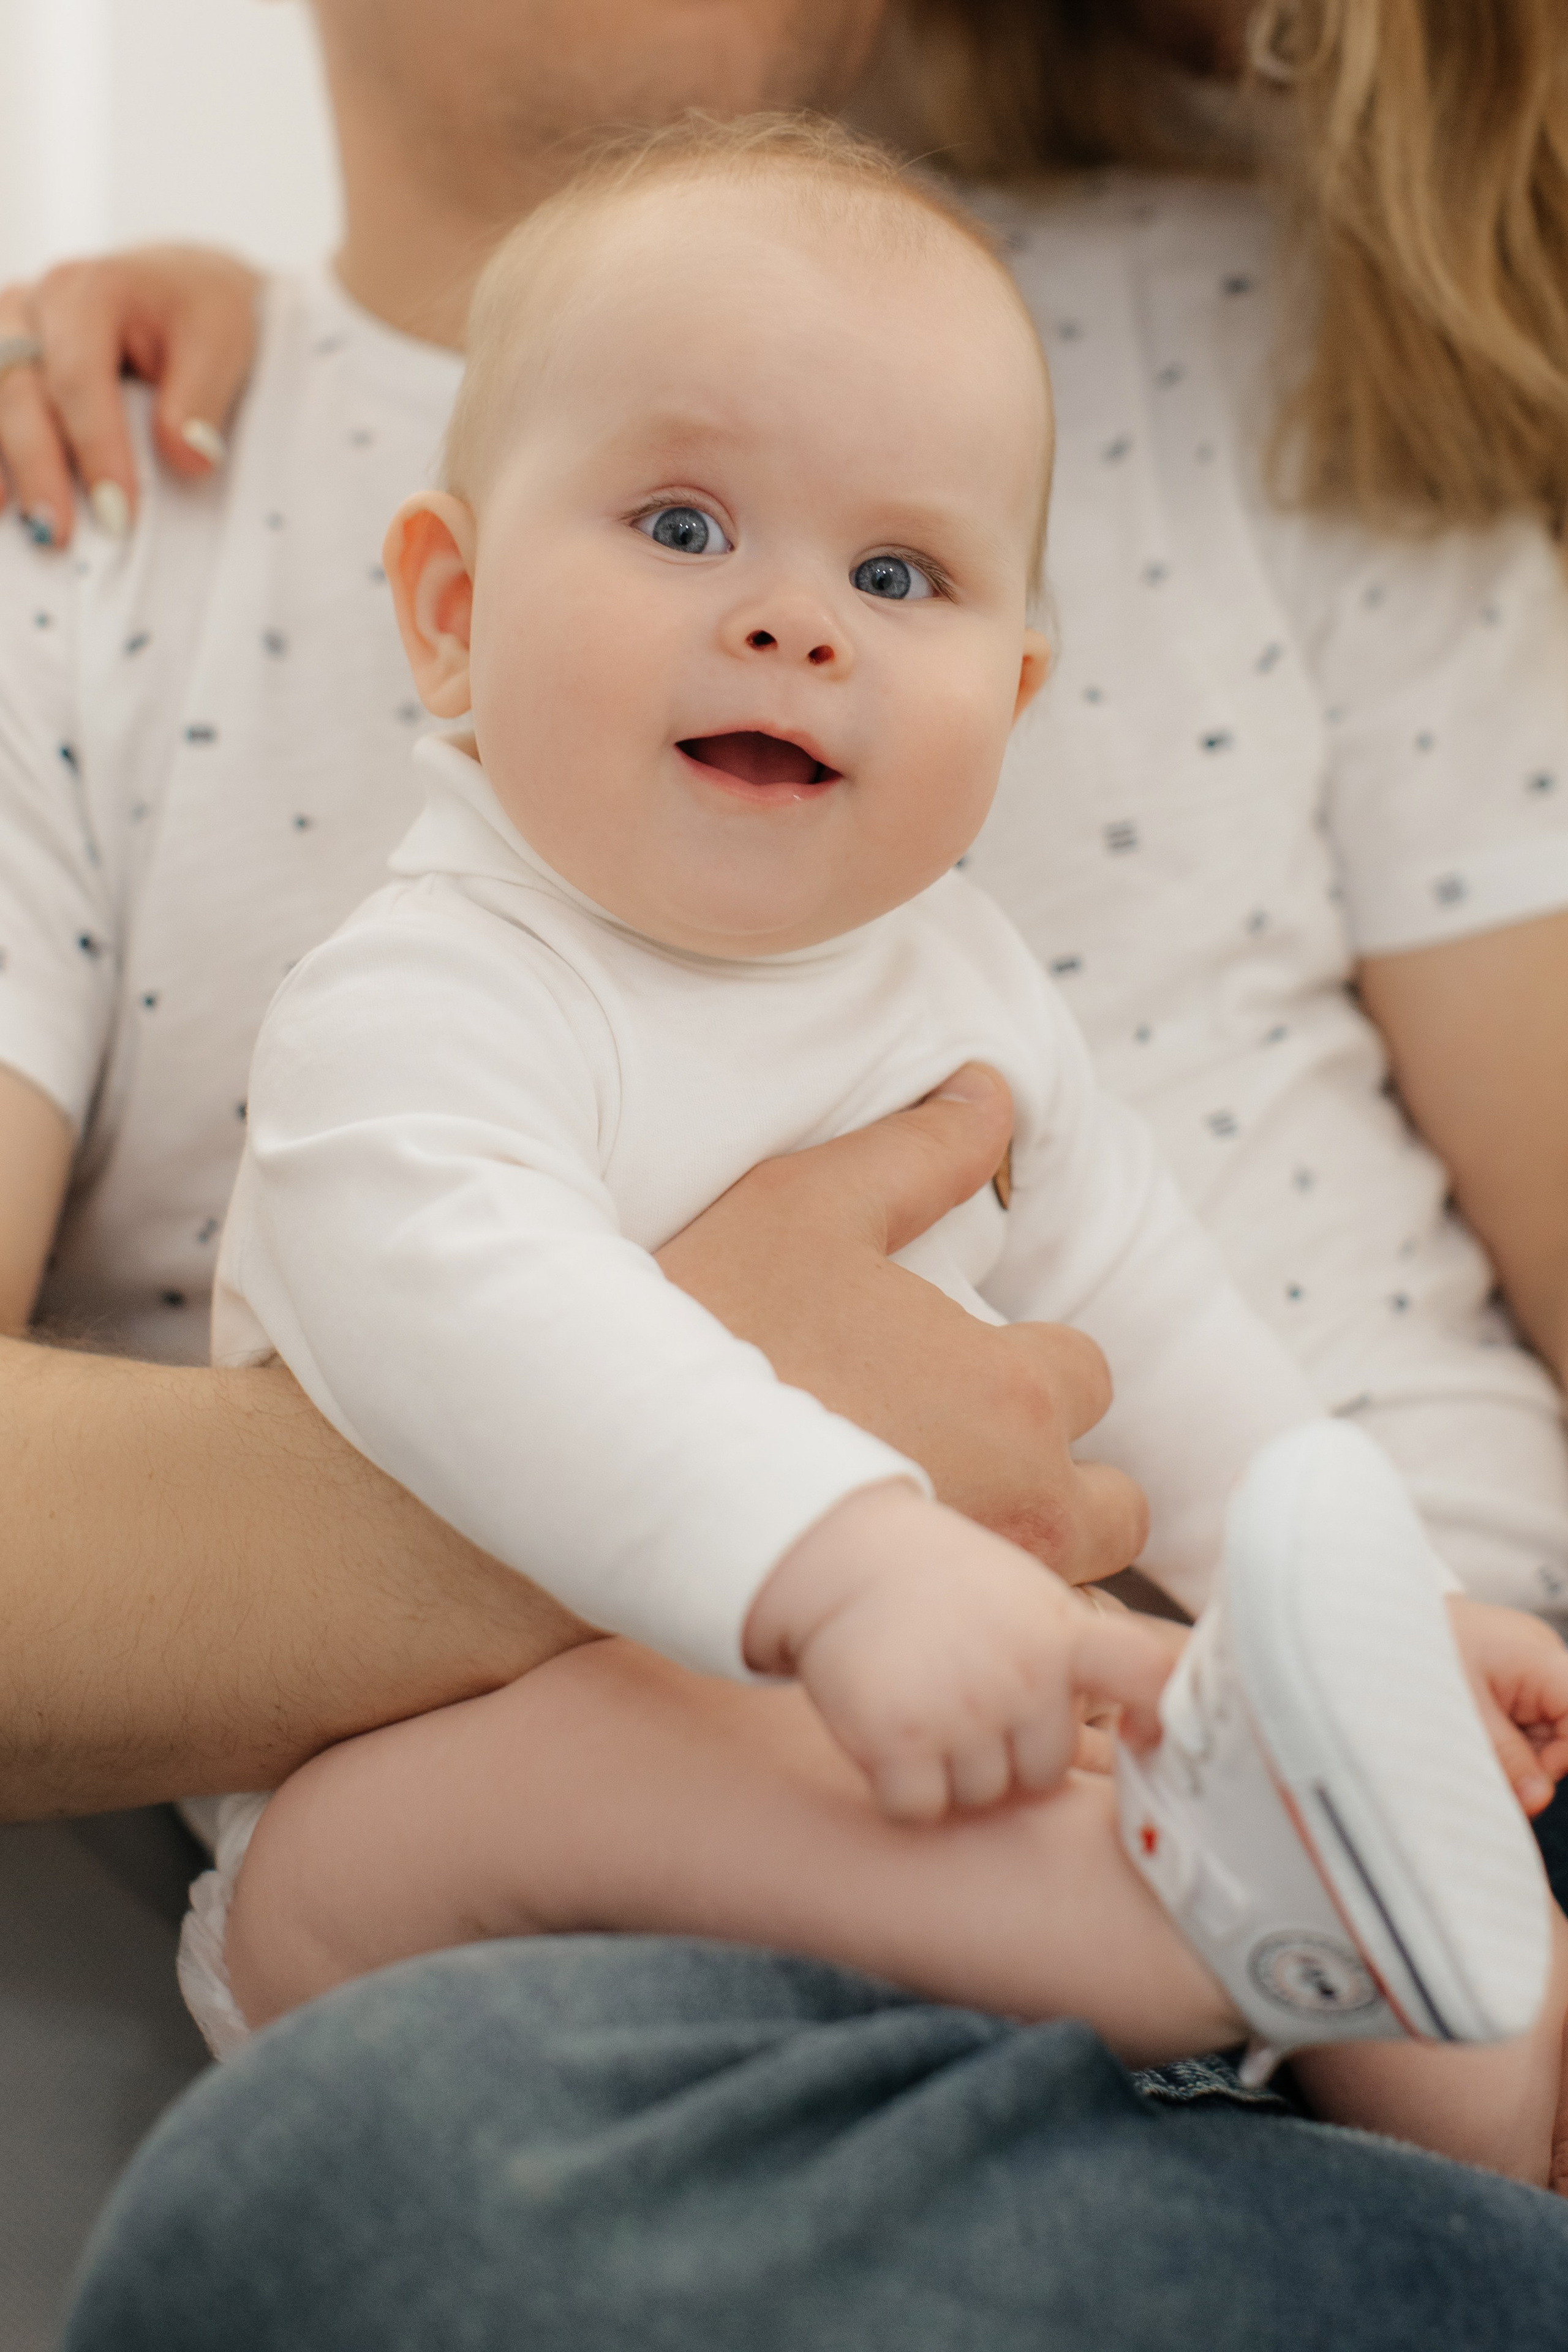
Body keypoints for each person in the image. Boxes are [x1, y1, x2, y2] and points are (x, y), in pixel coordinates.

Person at [0, 0, 1560, 2339]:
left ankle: (1418, 2012)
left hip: (1187, 1782)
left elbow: (1154, 1315)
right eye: (683, 526)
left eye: (904, 584)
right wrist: (839, 1558)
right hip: (554, 1914)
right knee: (358, 2172)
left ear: (1018, 702)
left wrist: (1358, 1602)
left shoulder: (969, 973)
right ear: (442, 605)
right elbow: (469, 1291)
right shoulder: (427, 983)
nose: (793, 617)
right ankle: (1247, 1946)